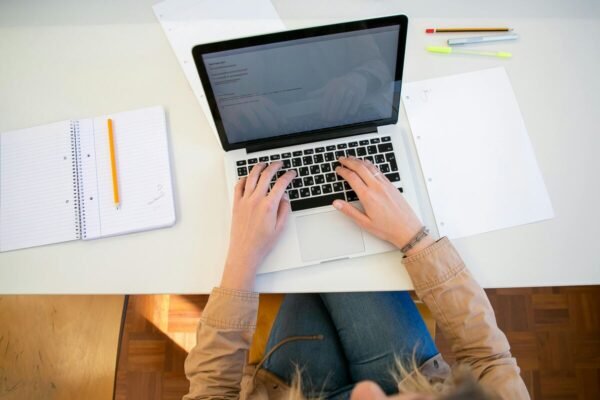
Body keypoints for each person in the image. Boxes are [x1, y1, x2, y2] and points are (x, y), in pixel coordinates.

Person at [183, 156, 530, 400]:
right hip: (410, 376)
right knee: (336, 268)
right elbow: (489, 358)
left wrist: (243, 256)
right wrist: (413, 238)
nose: (363, 392)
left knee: (316, 275)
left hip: (289, 389)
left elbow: (211, 393)